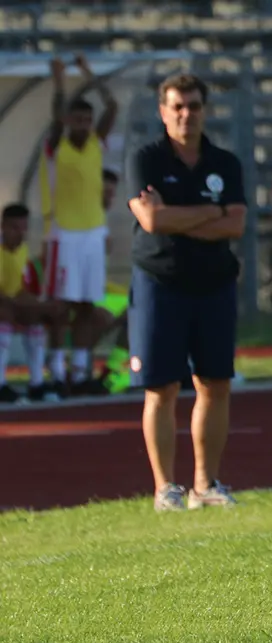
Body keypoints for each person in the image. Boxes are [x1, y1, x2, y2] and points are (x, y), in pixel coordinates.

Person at [128, 73, 246, 512]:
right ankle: (165, 488)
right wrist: (210, 212)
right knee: (161, 387)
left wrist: (178, 214)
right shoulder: (145, 159)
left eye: (194, 105)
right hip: (160, 283)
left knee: (215, 383)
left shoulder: (224, 162)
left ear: (204, 109)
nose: (186, 114)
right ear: (163, 111)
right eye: (177, 106)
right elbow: (152, 223)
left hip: (214, 284)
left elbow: (235, 224)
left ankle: (205, 484)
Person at [40, 53, 118, 396]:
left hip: (93, 234)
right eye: (79, 118)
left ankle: (81, 372)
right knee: (60, 306)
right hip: (65, 234)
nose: (85, 123)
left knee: (86, 306)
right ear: (69, 120)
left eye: (88, 118)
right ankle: (55, 375)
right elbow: (56, 115)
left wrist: (88, 72)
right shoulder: (59, 146)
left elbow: (112, 105)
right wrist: (60, 80)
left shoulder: (96, 145)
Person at [0, 204, 60, 403]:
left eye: (24, 228)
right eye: (15, 228)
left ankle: (38, 383)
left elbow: (19, 290)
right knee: (5, 314)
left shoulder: (22, 251)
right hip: (5, 306)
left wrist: (39, 305)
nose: (21, 233)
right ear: (3, 227)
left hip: (10, 303)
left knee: (39, 316)